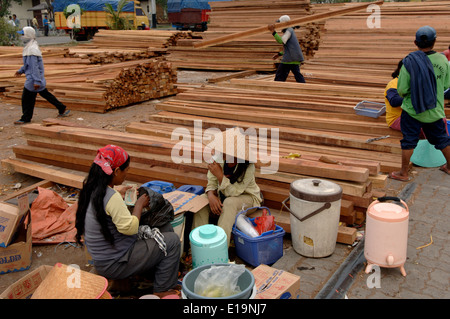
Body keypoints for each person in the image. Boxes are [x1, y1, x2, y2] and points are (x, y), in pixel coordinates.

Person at [75, 145, 181, 298]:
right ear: (116, 171)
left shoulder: (91, 189)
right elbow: (130, 229)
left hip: (104, 258)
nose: (127, 174)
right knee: (172, 242)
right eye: (126, 170)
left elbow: (107, 207)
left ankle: (146, 275)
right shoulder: (111, 197)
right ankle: (162, 289)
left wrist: (118, 192)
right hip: (115, 262)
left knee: (163, 226)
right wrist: (139, 205)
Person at [389, 26, 450, 181]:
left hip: (412, 109)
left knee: (409, 140)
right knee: (442, 139)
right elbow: (446, 85)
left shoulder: (409, 62)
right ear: (434, 41)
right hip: (435, 109)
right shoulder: (443, 60)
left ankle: (403, 173)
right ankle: (449, 167)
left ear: (415, 42)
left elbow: (402, 89)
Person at [192, 128, 263, 247]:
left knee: (229, 202)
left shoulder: (247, 167)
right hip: (223, 196)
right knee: (201, 201)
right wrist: (210, 195)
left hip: (247, 199)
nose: (218, 151)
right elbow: (211, 183)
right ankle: (198, 246)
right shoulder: (218, 159)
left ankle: (220, 247)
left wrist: (220, 175)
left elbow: (234, 192)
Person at [14, 27, 70, 125]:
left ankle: (26, 118)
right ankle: (61, 108)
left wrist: (36, 81)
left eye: (23, 34)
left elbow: (34, 67)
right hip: (36, 78)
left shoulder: (32, 49)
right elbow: (28, 64)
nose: (22, 37)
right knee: (46, 94)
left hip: (33, 79)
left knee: (27, 99)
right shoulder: (30, 47)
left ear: (28, 35)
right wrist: (21, 71)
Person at [268, 15, 305, 83]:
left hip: (289, 59)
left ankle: (277, 89)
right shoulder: (290, 30)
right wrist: (279, 54)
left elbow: (281, 41)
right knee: (298, 76)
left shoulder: (289, 30)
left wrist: (273, 31)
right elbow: (290, 48)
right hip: (294, 58)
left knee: (280, 76)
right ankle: (305, 88)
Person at [385, 60, 404, 131]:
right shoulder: (393, 84)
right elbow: (394, 101)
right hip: (397, 118)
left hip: (413, 115)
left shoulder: (414, 82)